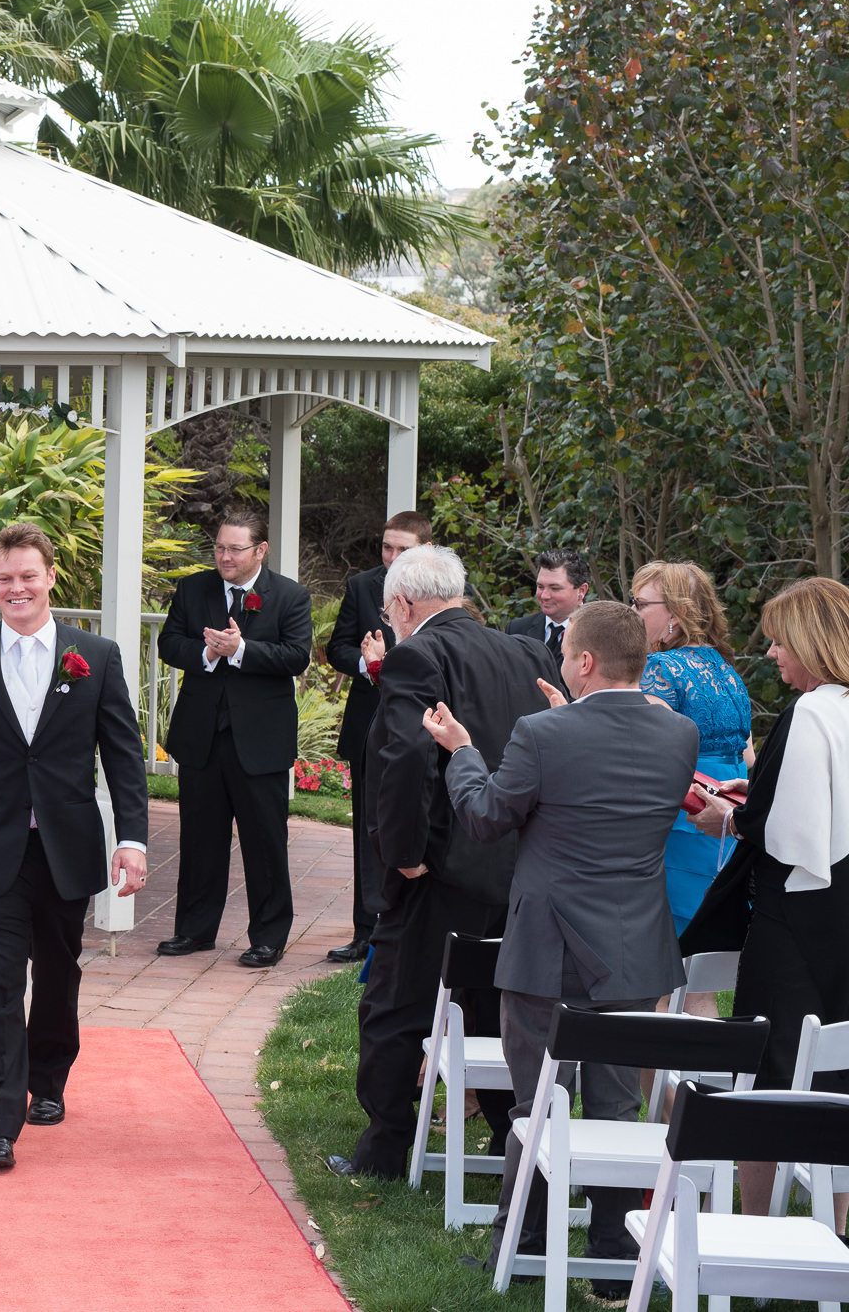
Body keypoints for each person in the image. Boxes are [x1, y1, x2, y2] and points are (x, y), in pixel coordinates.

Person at [424, 601, 696, 1297]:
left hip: (548, 945)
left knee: (536, 1101)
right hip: (635, 943)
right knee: (614, 1101)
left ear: (583, 661)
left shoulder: (541, 733)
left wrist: (461, 751)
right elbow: (609, 772)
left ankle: (522, 1244)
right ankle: (610, 1243)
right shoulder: (680, 734)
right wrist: (564, 716)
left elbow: (486, 816)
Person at [328, 545, 560, 1182]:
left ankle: (383, 1147)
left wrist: (401, 857)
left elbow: (403, 761)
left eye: (388, 609)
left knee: (397, 1006)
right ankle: (506, 1143)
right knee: (497, 1002)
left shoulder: (416, 654)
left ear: (403, 604)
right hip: (518, 863)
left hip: (441, 867)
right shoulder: (528, 651)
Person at [0, 524, 148, 1171]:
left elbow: (124, 754)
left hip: (67, 844)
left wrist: (132, 839)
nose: (16, 587)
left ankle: (48, 1078)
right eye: (4, 578)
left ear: (51, 576)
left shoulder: (96, 655)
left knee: (58, 970)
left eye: (27, 575)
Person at [685, 577, 849, 1224]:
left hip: (792, 922)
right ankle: (837, 1232)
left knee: (768, 1074)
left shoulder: (809, 712)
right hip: (842, 916)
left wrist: (727, 816)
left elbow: (787, 835)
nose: (774, 651)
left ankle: (755, 1223)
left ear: (812, 639)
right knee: (838, 1076)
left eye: (781, 638)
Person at [156, 506, 313, 968]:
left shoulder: (289, 596)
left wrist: (242, 650)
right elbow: (169, 643)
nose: (224, 556)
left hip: (260, 740)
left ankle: (268, 937)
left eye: (234, 548)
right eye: (220, 547)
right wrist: (204, 652)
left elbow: (296, 656)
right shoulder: (193, 588)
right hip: (202, 734)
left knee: (265, 842)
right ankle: (195, 930)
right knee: (200, 839)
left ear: (260, 550)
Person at [324, 510, 434, 963]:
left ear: (425, 551)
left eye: (402, 549)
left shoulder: (440, 589)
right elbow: (337, 647)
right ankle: (365, 930)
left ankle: (411, 924)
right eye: (386, 547)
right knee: (368, 828)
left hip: (425, 725)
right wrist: (367, 663)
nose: (391, 557)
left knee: (417, 825)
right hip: (370, 722)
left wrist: (391, 662)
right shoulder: (362, 586)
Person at [632, 560, 752, 941]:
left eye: (639, 604)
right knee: (701, 967)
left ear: (676, 614)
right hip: (726, 815)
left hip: (683, 818)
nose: (632, 613)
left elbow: (653, 751)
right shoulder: (726, 671)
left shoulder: (659, 669)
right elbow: (747, 756)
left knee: (667, 962)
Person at [505, 549, 591, 666]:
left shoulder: (599, 634)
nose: (544, 596)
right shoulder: (517, 629)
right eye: (540, 587)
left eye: (555, 588)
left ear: (581, 591)